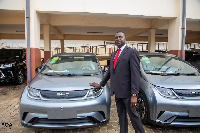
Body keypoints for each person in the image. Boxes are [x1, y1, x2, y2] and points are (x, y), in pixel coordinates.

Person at [89, 31, 145, 133]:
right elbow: (111, 71)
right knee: (121, 117)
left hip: (128, 93)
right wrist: (101, 84)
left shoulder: (132, 52)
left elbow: (135, 75)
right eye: (116, 37)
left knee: (134, 117)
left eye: (120, 37)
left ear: (125, 39)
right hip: (118, 92)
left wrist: (134, 94)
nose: (118, 39)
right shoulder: (114, 54)